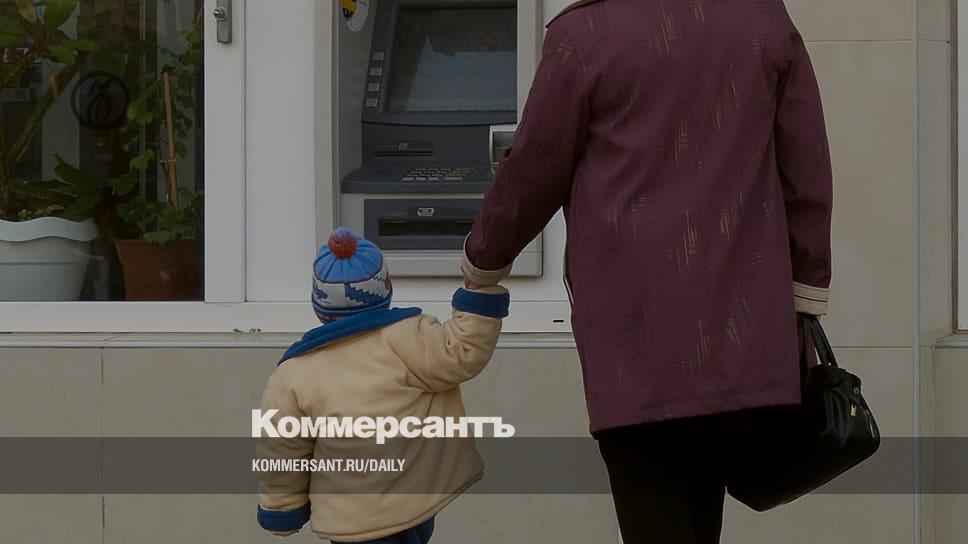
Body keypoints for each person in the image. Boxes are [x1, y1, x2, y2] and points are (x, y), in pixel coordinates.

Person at [461, 1, 833, 542]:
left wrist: (483, 259)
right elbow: (806, 163)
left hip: (635, 347)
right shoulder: (762, 18)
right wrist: (805, 291)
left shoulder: (583, 32)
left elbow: (534, 165)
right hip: (743, 337)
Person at [256, 228, 510, 543]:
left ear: (319, 305)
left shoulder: (293, 375)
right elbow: (463, 349)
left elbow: (282, 449)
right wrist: (479, 291)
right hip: (415, 506)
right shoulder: (411, 339)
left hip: (351, 521)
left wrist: (283, 509)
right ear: (384, 290)